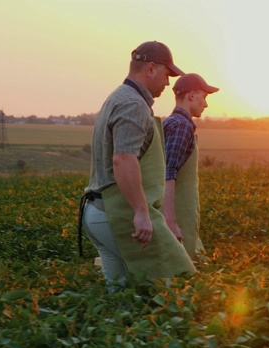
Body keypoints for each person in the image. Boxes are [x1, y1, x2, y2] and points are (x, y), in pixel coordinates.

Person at [80, 41, 195, 289]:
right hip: (116, 214)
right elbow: (123, 159)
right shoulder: (133, 104)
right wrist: (142, 214)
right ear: (151, 69)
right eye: (167, 75)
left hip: (97, 211)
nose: (168, 83)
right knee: (170, 279)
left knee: (119, 290)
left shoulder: (117, 96)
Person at [162, 73, 219, 261]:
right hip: (177, 217)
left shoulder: (171, 122)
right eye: (204, 97)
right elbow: (167, 173)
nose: (206, 104)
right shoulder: (181, 125)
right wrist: (170, 222)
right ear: (192, 95)